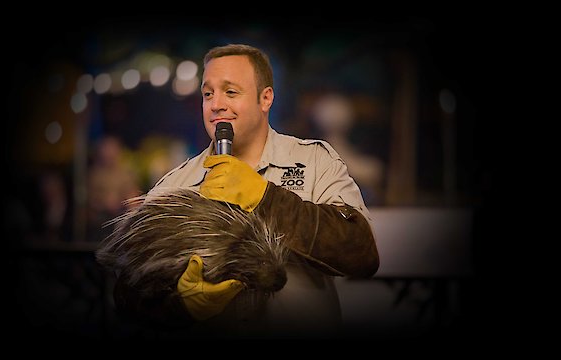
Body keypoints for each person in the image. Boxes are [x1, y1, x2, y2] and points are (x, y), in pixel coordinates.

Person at [107, 43, 379, 338]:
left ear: (266, 99)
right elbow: (128, 294)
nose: (216, 104)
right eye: (208, 94)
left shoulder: (314, 162)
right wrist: (179, 307)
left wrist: (265, 198)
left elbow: (361, 253)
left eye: (231, 92)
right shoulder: (177, 184)